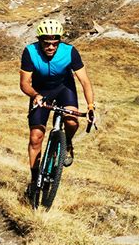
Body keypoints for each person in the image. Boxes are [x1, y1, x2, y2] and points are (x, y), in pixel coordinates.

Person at [19, 18, 96, 198]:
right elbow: (24, 83)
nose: (51, 47)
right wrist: (35, 95)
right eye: (47, 43)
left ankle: (67, 142)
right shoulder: (30, 52)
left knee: (71, 121)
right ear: (40, 41)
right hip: (40, 92)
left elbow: (84, 81)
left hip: (64, 89)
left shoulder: (70, 52)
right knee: (36, 137)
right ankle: (34, 180)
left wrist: (91, 106)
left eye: (55, 43)